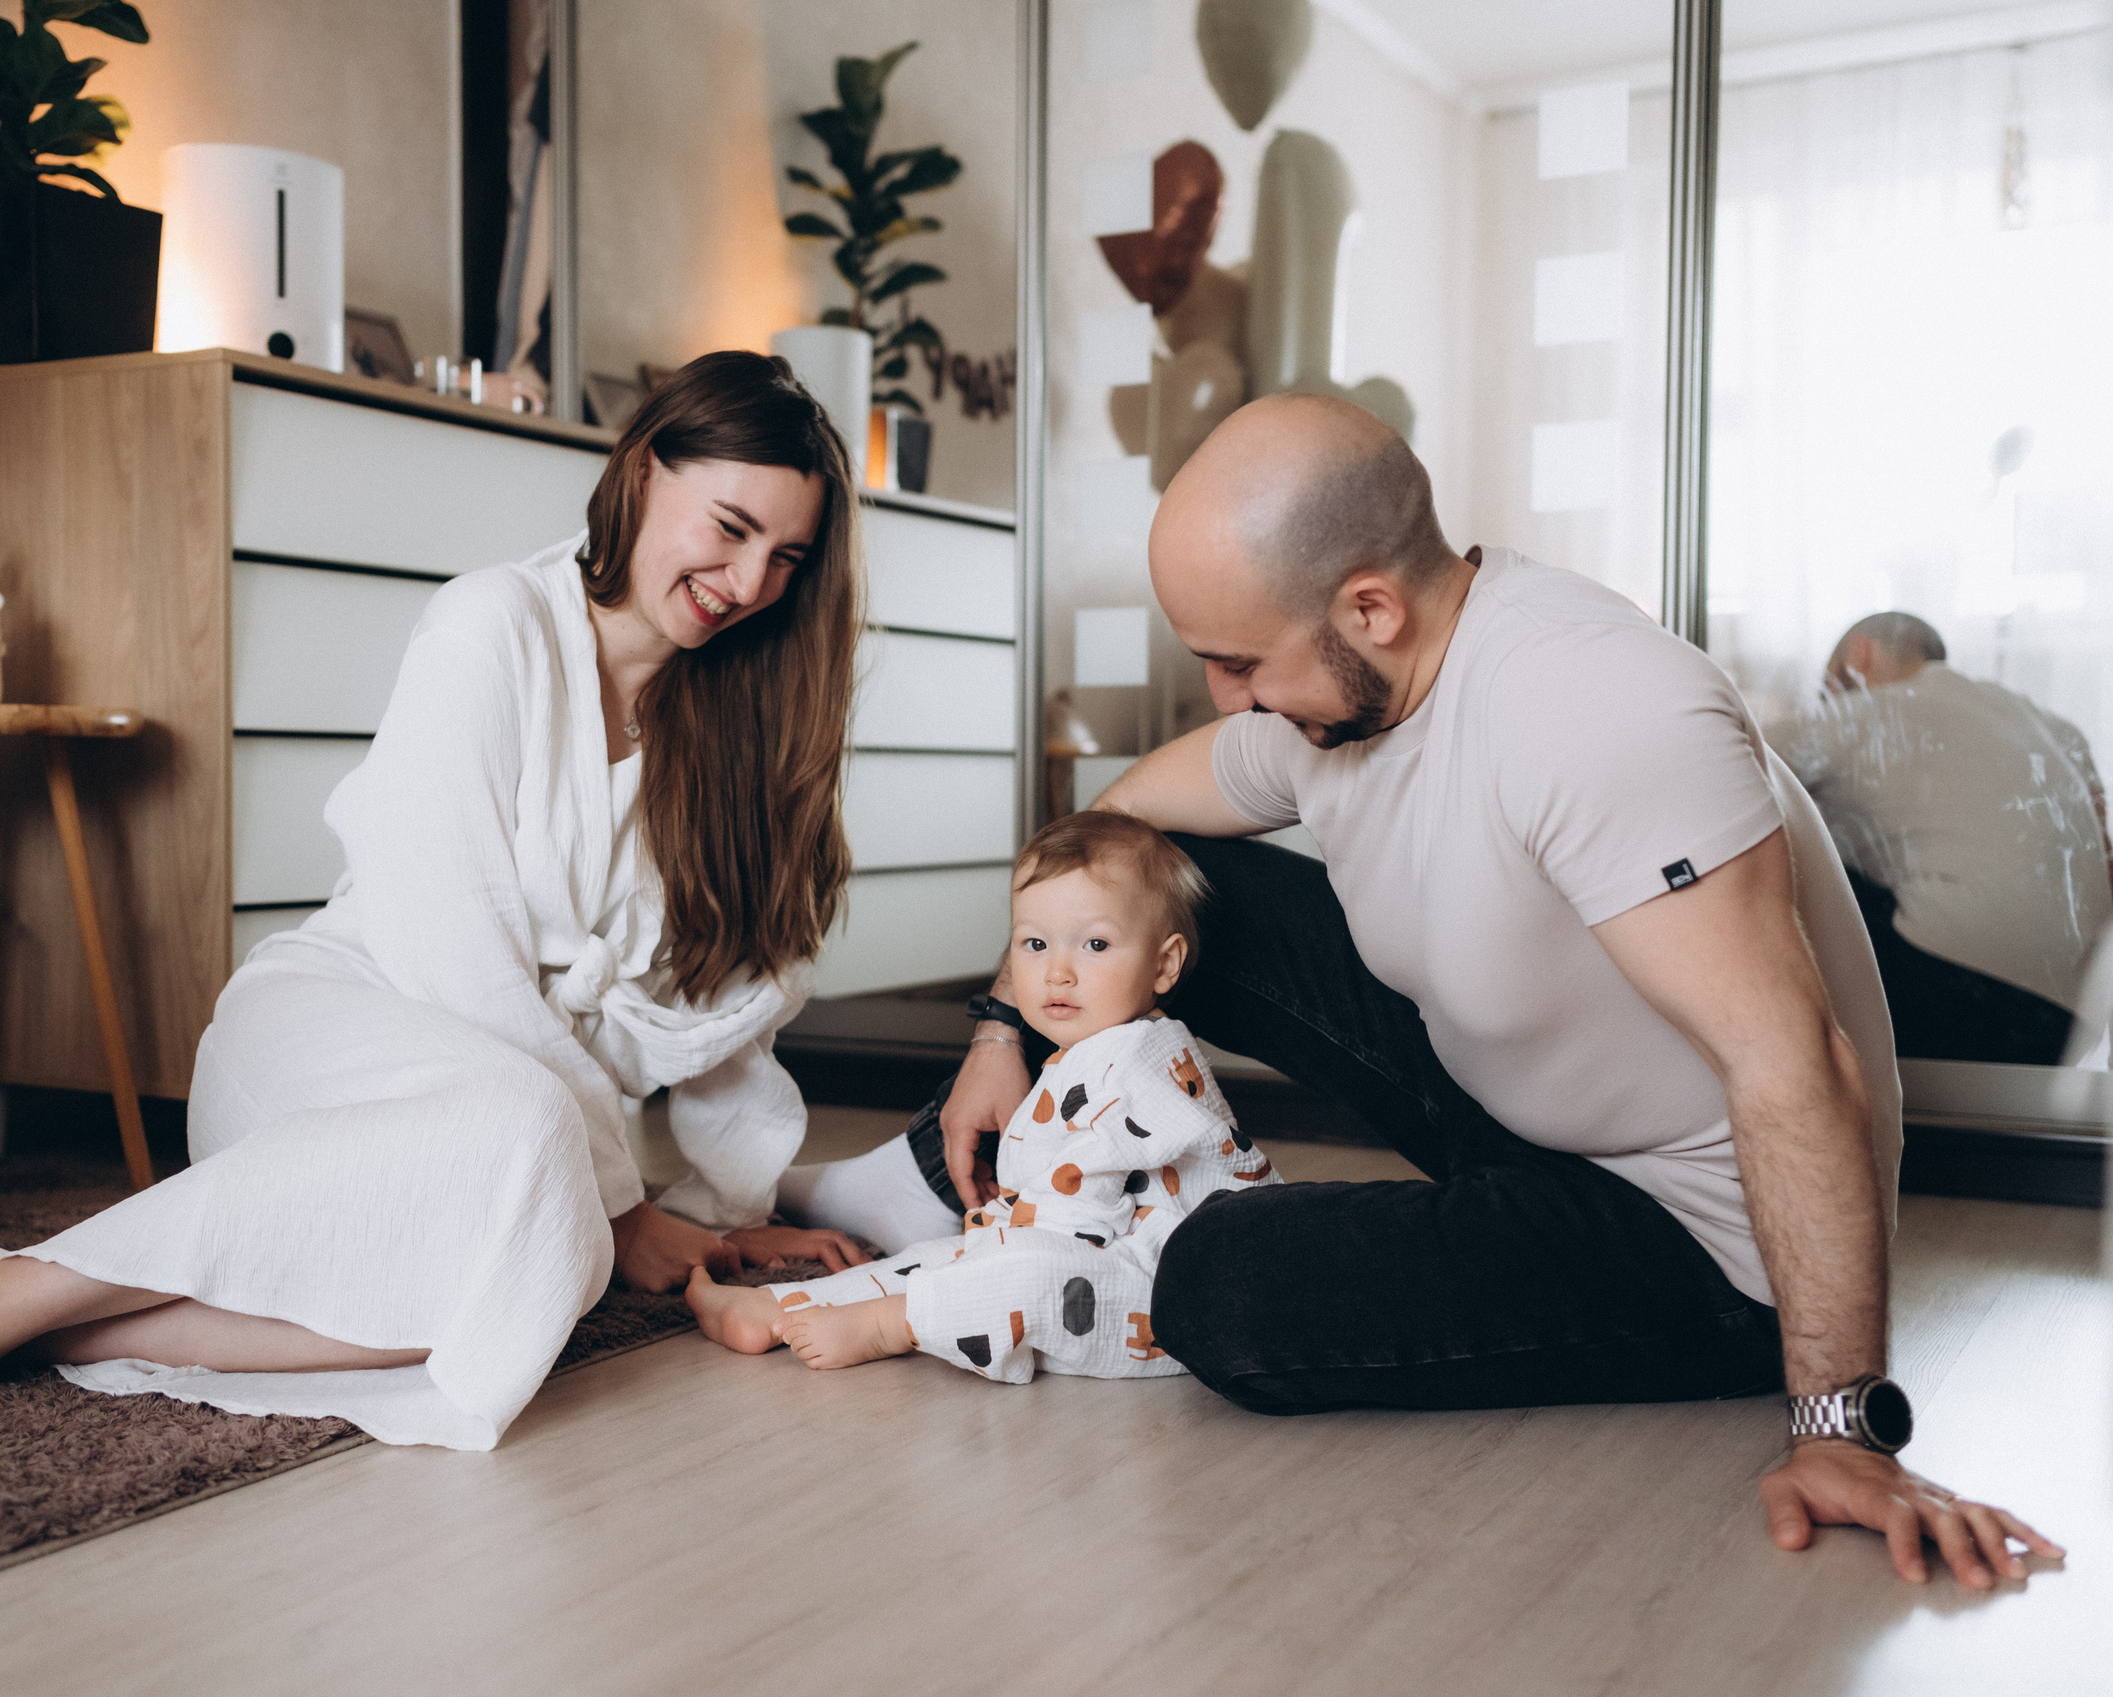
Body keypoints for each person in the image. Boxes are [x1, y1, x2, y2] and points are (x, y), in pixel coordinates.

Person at [795, 394, 2057, 1590]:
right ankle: (964, 1175)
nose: (1227, 702)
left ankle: (1077, 1236)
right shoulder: (1342, 700)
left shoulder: (1594, 705)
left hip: (1700, 1240)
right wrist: (1002, 1028)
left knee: (1217, 1286)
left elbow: (1796, 1061)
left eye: (1238, 663)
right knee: (1157, 888)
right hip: (1510, 1107)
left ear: (1368, 606)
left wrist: (1842, 1423)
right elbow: (1103, 825)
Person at [0, 352, 869, 1451]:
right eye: (728, 524)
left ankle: (15, 1322)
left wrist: (714, 1212)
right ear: (645, 469)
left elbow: (730, 1008)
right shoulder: (491, 626)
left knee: (538, 1269)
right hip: (342, 1032)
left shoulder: (733, 731)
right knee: (542, 1174)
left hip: (519, 1127)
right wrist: (619, 1203)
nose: (748, 579)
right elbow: (454, 951)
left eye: (786, 558)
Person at [692, 811, 1280, 1378]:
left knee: (1011, 1269)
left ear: (1164, 964)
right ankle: (779, 1308)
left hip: (1166, 1294)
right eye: (1034, 944)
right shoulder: (1094, 1050)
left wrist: (998, 1240)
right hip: (1105, 1253)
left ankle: (886, 1325)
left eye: (1095, 946)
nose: (1058, 972)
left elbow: (1077, 1228)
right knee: (947, 1253)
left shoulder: (1134, 1064)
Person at [1772, 611, 2110, 1066]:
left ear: (1860, 656)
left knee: (1776, 858)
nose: (1825, 698)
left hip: (1958, 992)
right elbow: (2101, 852)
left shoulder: (1877, 711)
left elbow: (1728, 753)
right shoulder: (2052, 726)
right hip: (2074, 1022)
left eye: (1828, 684)